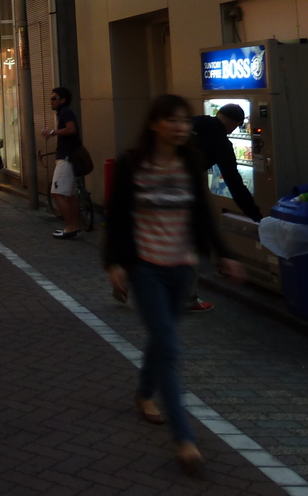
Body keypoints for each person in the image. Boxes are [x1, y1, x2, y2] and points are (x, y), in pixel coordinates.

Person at [104, 94, 245, 475]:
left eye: (185, 121)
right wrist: (114, 261)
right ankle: (184, 439)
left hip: (182, 267)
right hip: (146, 266)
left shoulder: (191, 162)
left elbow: (202, 215)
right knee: (168, 344)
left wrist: (225, 254)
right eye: (172, 120)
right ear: (154, 124)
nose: (181, 127)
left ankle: (143, 393)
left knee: (160, 340)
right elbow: (117, 214)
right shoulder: (134, 162)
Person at [192, 104, 260, 222]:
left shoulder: (195, 121)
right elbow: (234, 182)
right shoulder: (221, 144)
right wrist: (256, 215)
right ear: (236, 123)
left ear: (218, 114)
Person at [42, 87, 83, 239]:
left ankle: (70, 227)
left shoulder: (65, 112)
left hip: (65, 158)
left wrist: (52, 132)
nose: (51, 101)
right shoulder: (64, 112)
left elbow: (71, 129)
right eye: (51, 99)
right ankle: (75, 227)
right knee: (71, 195)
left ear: (63, 100)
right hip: (69, 157)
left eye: (54, 98)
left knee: (57, 193)